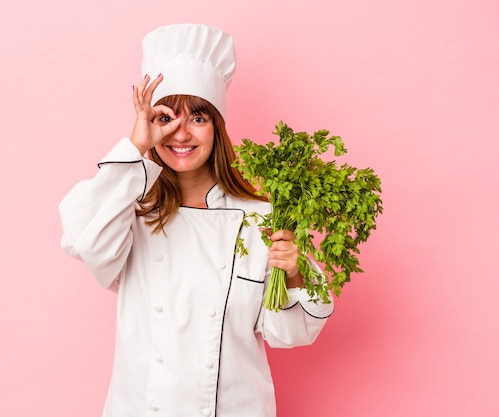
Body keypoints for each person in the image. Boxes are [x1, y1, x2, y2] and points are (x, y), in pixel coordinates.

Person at [59, 23, 333, 417]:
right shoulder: (130, 209)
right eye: (166, 117)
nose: (180, 133)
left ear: (218, 128)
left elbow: (288, 334)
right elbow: (81, 238)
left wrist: (294, 275)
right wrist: (136, 146)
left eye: (199, 118)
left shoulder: (260, 219)